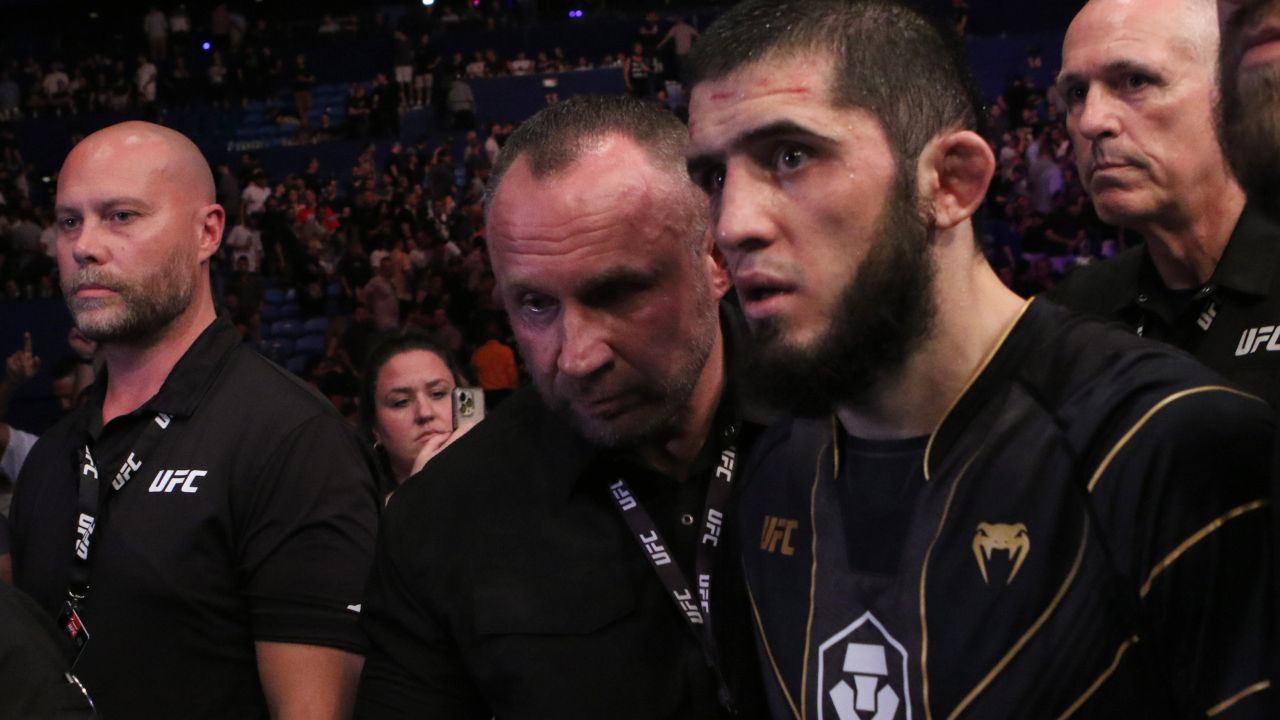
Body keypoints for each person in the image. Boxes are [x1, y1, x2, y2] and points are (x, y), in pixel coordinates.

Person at [684, 1, 1274, 717]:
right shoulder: (772, 475)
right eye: (714, 176)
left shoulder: (1162, 446)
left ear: (953, 182)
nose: (733, 224)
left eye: (791, 156)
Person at [356, 95, 767, 719]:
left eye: (617, 293)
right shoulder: (438, 522)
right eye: (536, 306)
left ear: (714, 259)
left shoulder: (852, 430)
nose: (575, 358)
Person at [9, 121, 380, 719]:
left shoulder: (291, 440)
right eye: (69, 221)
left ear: (208, 232)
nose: (84, 245)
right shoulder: (54, 457)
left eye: (121, 216)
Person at [1049, 0, 1280, 407]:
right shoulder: (1072, 314)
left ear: (1229, 93)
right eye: (1077, 93)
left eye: (1135, 80)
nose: (1090, 121)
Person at [359, 333, 465, 493]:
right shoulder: (362, 510)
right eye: (401, 402)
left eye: (438, 393)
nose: (425, 413)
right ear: (376, 429)